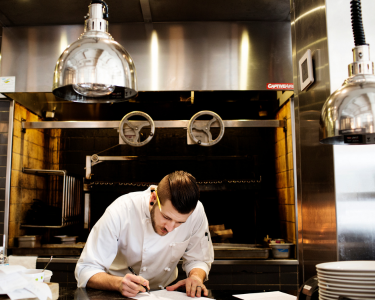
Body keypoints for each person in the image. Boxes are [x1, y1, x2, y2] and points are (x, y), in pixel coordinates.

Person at [75, 170, 214, 298]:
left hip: (165, 294)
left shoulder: (196, 213)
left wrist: (195, 277)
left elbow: (198, 259)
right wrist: (117, 283)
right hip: (115, 294)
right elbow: (86, 270)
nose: (171, 228)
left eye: (180, 223)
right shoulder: (121, 210)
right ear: (153, 198)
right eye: (166, 217)